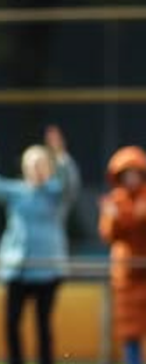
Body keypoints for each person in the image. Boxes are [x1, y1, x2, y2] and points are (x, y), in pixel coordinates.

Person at [0, 125, 80, 364]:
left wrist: (60, 154)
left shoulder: (56, 194)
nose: (36, 169)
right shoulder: (16, 192)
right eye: (32, 164)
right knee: (11, 323)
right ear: (24, 168)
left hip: (48, 269)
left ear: (49, 168)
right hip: (17, 267)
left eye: (41, 164)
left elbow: (70, 182)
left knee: (43, 325)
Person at [99, 146, 146, 364]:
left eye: (135, 173)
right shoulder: (114, 201)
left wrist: (129, 217)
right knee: (130, 332)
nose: (131, 179)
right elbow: (108, 234)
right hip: (125, 275)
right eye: (126, 174)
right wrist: (116, 218)